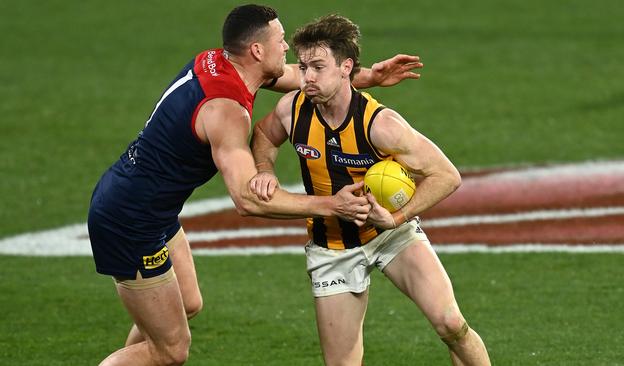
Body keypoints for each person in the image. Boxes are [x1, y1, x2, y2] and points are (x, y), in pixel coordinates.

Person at [87, 4, 423, 366]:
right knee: (170, 350)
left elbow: (293, 76)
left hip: (149, 207)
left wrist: (368, 75)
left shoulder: (220, 62)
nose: (288, 49)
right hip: (129, 220)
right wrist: (330, 205)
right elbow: (249, 201)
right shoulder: (227, 111)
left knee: (187, 304)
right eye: (281, 40)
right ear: (257, 51)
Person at [249, 14, 491, 366]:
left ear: (346, 67)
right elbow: (263, 137)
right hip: (332, 250)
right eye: (302, 67)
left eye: (317, 67)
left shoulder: (381, 125)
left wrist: (395, 218)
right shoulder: (293, 109)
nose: (306, 77)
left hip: (392, 236)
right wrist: (263, 169)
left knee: (451, 324)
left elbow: (446, 175)